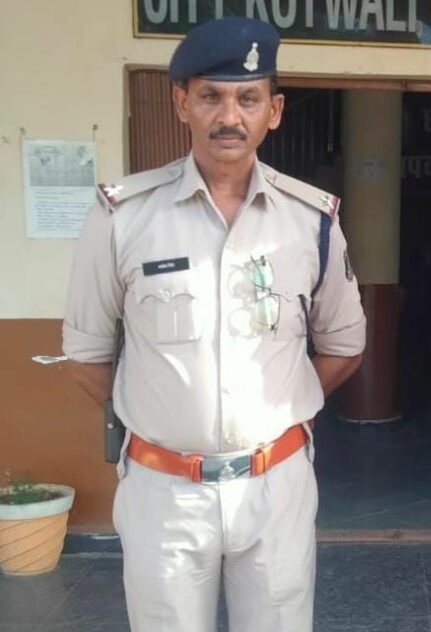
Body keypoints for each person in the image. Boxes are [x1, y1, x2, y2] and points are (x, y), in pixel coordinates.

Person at [62, 17, 365, 632]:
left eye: (248, 98)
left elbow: (344, 345)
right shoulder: (122, 217)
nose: (230, 116)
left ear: (274, 111)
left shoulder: (313, 221)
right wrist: (166, 415)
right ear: (182, 104)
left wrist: (280, 407)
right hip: (163, 492)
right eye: (211, 97)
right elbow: (85, 354)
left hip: (276, 487)